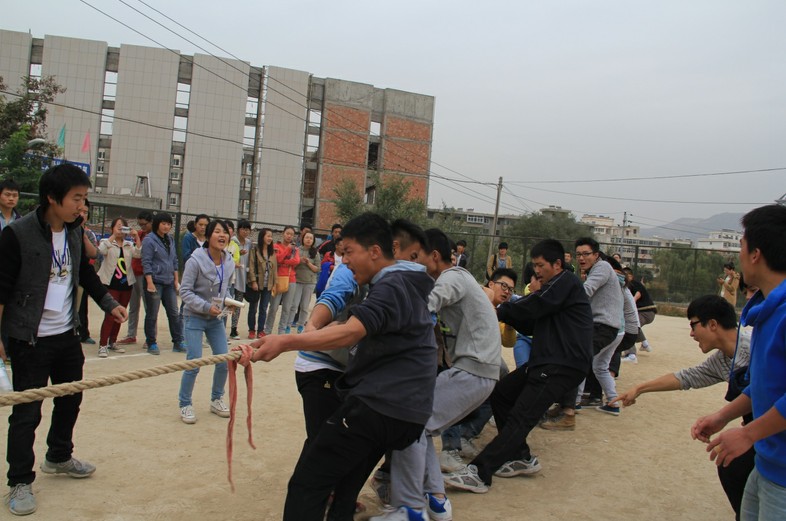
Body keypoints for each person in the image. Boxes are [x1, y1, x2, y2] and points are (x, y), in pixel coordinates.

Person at [250, 212, 437, 521]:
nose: (344, 260)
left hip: (380, 407)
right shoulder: (409, 283)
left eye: (349, 252)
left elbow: (352, 330)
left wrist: (285, 342)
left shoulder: (392, 284)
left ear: (375, 251)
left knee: (308, 483)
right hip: (406, 414)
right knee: (347, 483)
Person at [0, 164, 127, 516]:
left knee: (70, 400)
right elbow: (2, 288)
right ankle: (19, 481)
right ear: (52, 198)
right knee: (27, 413)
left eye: (84, 199)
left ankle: (58, 457)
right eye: (77, 198)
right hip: (29, 340)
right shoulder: (17, 234)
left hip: (66, 336)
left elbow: (85, 273)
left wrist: (109, 304)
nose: (81, 206)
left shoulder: (74, 231)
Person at [443, 239, 592, 493]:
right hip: (546, 361)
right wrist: (505, 316)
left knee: (521, 417)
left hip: (560, 364)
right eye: (534, 266)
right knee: (502, 394)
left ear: (557, 264)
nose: (537, 272)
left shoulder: (564, 281)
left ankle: (480, 473)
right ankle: (521, 457)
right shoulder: (554, 290)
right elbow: (533, 323)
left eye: (540, 265)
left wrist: (497, 310)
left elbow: (536, 305)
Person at [383, 228, 500, 520]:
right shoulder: (459, 278)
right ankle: (435, 500)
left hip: (473, 370)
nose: (416, 264)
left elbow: (425, 305)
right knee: (421, 425)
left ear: (434, 256)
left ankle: (409, 507)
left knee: (410, 421)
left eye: (418, 258)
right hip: (474, 370)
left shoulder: (452, 278)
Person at [611, 295, 752, 519]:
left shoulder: (756, 348)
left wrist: (726, 419)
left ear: (713, 324)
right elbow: (686, 378)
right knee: (731, 466)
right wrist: (640, 388)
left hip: (773, 430)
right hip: (758, 431)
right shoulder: (722, 360)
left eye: (694, 325)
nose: (691, 334)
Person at [692, 204, 786, 520]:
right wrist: (724, 416)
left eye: (742, 246)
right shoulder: (767, 311)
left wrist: (748, 434)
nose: (740, 254)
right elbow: (766, 386)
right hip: (768, 464)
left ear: (756, 253)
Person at [177, 220, 235, 424]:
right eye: (217, 232)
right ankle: (185, 404)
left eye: (225, 233)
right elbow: (184, 291)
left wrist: (229, 302)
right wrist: (204, 306)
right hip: (195, 316)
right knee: (194, 362)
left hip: (216, 318)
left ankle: (216, 398)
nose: (222, 236)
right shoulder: (196, 260)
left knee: (223, 361)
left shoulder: (229, 260)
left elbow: (225, 288)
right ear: (208, 236)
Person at [95, 217, 142, 357]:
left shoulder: (128, 244)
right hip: (110, 284)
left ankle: (112, 342)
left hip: (126, 284)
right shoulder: (107, 242)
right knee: (110, 314)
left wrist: (136, 238)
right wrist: (113, 237)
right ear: (112, 228)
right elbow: (100, 251)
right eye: (118, 227)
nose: (121, 230)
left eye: (123, 227)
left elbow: (139, 254)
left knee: (120, 314)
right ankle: (103, 344)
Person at [141, 212, 184, 355]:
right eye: (163, 223)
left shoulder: (170, 239)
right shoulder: (149, 240)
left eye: (168, 224)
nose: (166, 227)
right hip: (155, 281)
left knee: (174, 313)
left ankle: (178, 341)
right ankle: (151, 342)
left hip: (169, 282)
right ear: (157, 224)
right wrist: (149, 281)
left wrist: (176, 279)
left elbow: (174, 260)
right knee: (152, 314)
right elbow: (146, 262)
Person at [117, 210, 153, 345]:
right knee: (133, 306)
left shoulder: (153, 237)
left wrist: (137, 238)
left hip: (146, 275)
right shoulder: (139, 234)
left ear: (151, 223)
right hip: (134, 273)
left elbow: (142, 253)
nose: (142, 227)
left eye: (144, 224)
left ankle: (151, 337)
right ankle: (131, 334)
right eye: (140, 224)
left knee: (149, 307)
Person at [263, 226, 300, 335]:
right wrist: (287, 251)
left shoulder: (296, 249)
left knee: (287, 307)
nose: (289, 236)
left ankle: (282, 330)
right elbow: (277, 259)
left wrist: (284, 261)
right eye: (287, 233)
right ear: (283, 234)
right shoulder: (276, 246)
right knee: (273, 307)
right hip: (278, 278)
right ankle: (268, 329)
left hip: (291, 279)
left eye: (292, 234)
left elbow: (296, 261)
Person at [246, 228, 277, 339]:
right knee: (253, 308)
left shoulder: (272, 252)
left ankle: (260, 330)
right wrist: (253, 281)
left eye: (271, 236)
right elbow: (251, 266)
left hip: (267, 285)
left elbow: (275, 269)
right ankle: (251, 329)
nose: (270, 238)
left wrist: (274, 283)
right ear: (262, 237)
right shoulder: (254, 250)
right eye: (268, 236)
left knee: (263, 308)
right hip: (257, 284)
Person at [289, 231, 320, 334]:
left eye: (311, 238)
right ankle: (288, 325)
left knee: (304, 306)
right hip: (297, 281)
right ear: (303, 239)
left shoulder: (315, 253)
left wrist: (308, 263)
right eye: (307, 237)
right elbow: (291, 264)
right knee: (294, 305)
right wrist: (299, 261)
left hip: (310, 282)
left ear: (313, 240)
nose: (308, 240)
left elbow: (317, 269)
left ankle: (301, 325)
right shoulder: (297, 250)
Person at [623, 267, 656, 355]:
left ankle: (631, 354)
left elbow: (638, 293)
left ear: (631, 276)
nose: (623, 277)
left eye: (625, 275)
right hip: (648, 312)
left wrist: (632, 302)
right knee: (635, 326)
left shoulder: (633, 283)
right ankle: (645, 344)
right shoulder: (630, 284)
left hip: (645, 312)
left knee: (629, 327)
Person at [229, 219, 252, 340]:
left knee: (238, 303)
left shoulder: (248, 243)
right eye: (243, 229)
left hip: (242, 277)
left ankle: (233, 329)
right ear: (238, 230)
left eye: (247, 229)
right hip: (232, 277)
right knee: (228, 303)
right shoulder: (233, 241)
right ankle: (222, 329)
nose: (245, 231)